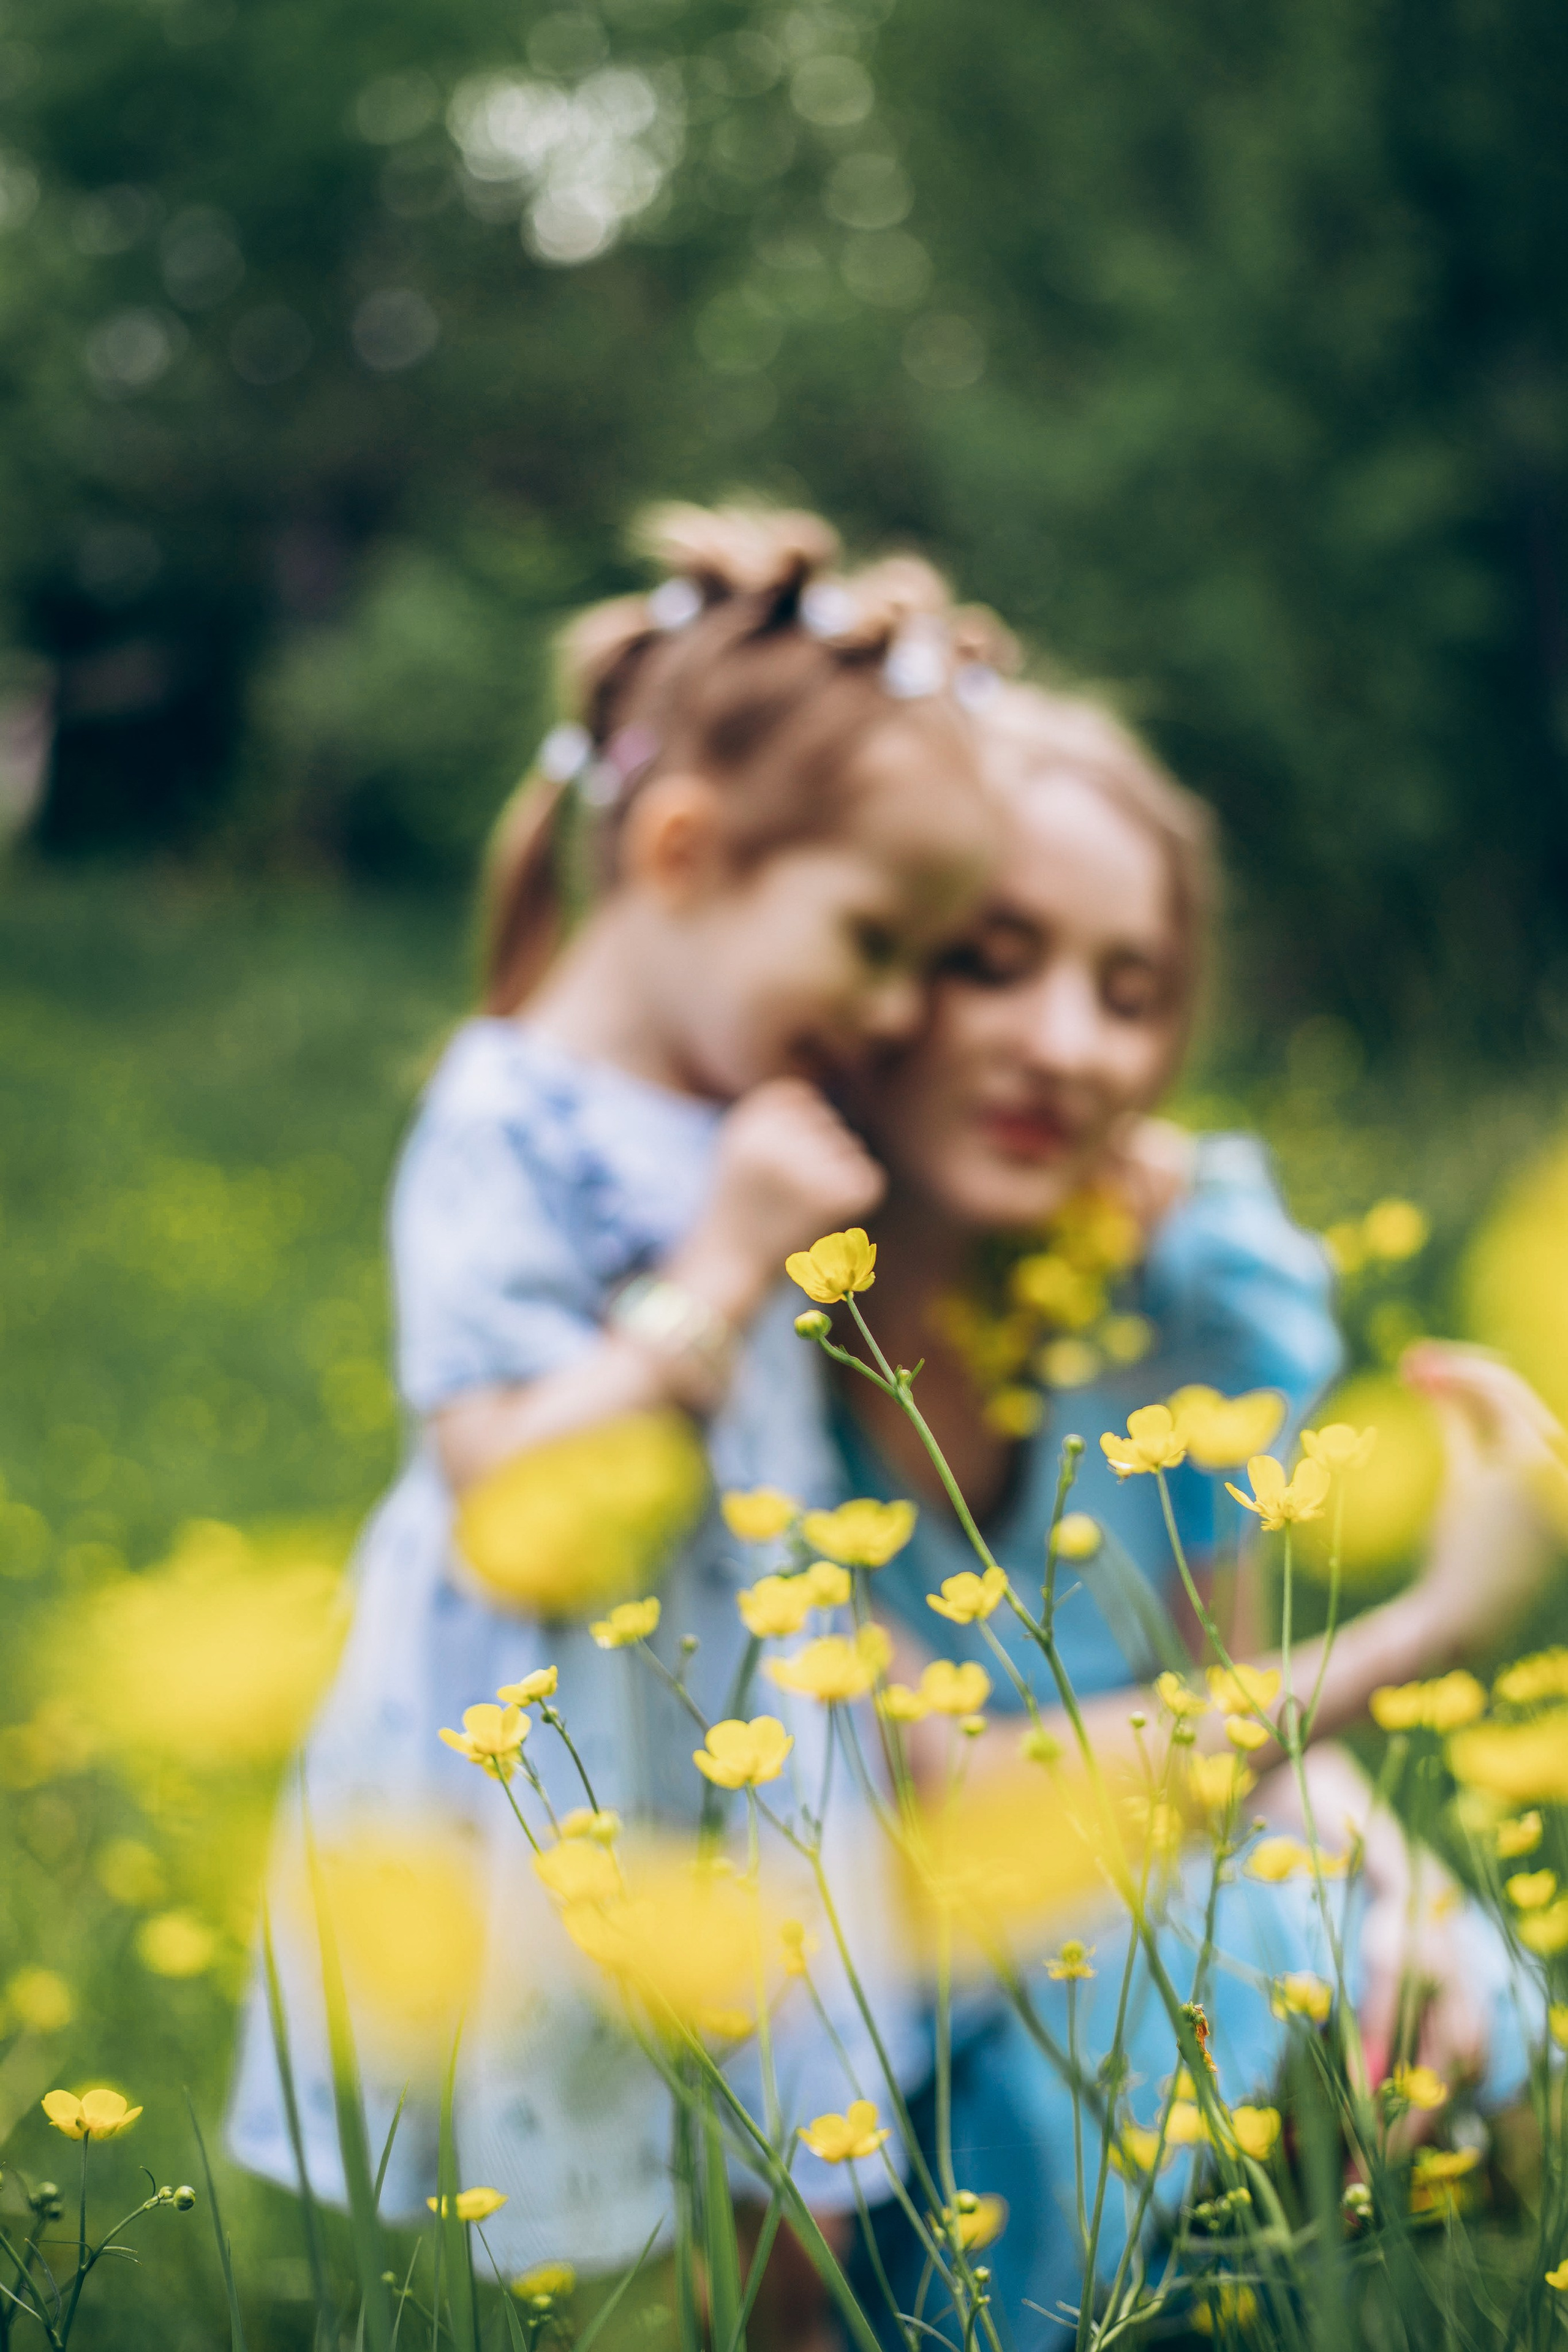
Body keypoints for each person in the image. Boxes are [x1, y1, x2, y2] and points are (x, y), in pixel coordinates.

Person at [226, 503, 1005, 2288]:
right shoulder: (508, 1118)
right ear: (682, 850)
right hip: (552, 1744)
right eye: (874, 940)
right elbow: (498, 1481)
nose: (895, 1011)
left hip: (747, 1732)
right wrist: (720, 1266)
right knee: (582, 2223)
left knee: (794, 2195)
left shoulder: (754, 1112)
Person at [818, 679, 1550, 2340]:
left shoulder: (1190, 1299)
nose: (1069, 1045)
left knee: (1464, 2003)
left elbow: (1246, 1715)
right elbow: (962, 1818)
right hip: (860, 2023)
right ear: (868, 959)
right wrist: (1438, 1625)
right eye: (995, 960)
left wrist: (1395, 1893)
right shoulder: (747, 1357)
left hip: (1156, 1938)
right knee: (1174, 1988)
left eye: (1129, 992)